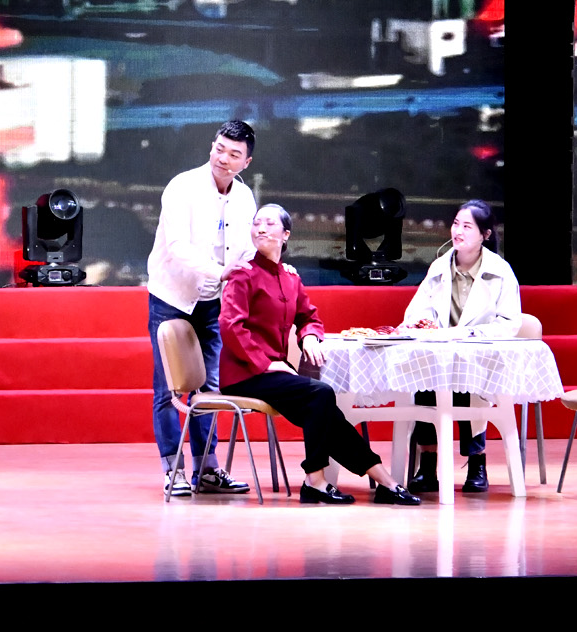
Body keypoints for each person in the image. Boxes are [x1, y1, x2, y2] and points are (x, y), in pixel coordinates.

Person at [218, 204, 421, 505]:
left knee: (325, 412)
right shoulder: (243, 275)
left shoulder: (290, 277)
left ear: (286, 234)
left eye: (269, 223)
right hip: (245, 374)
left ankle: (383, 481)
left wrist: (310, 336)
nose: (260, 228)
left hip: (273, 373)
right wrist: (267, 363)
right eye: (256, 223)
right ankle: (317, 479)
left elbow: (308, 316)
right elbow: (230, 326)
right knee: (321, 395)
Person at [145, 119, 258, 497]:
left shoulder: (244, 197)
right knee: (169, 389)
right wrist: (219, 272)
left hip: (212, 303)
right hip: (172, 297)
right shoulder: (183, 186)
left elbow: (248, 249)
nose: (223, 158)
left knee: (209, 388)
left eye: (234, 154)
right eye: (219, 148)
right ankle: (172, 470)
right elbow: (177, 247)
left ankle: (207, 470)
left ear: (246, 162)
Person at [399, 199, 521, 495]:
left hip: (479, 355)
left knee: (469, 389)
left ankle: (477, 463)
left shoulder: (500, 271)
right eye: (456, 224)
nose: (458, 231)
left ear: (485, 235)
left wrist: (465, 334)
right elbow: (418, 311)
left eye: (467, 226)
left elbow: (509, 323)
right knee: (424, 381)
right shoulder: (439, 267)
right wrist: (424, 326)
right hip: (438, 354)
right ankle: (428, 465)